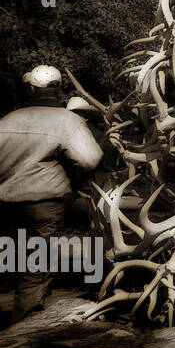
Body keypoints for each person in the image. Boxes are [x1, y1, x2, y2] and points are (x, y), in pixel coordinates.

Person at [0, 65, 103, 323]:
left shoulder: (7, 120)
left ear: (31, 88)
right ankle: (23, 327)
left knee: (10, 262)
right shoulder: (67, 121)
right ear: (58, 89)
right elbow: (91, 160)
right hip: (44, 205)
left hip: (5, 203)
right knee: (34, 267)